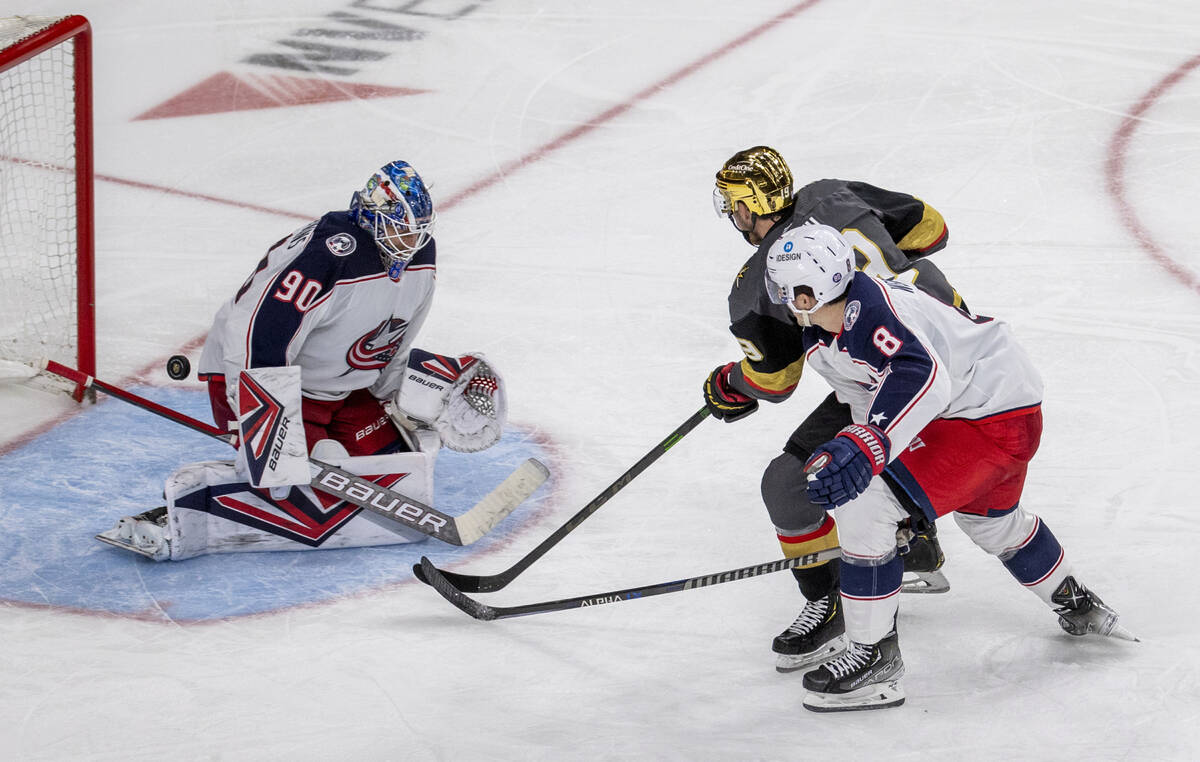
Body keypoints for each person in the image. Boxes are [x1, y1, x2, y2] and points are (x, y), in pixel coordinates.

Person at [760, 223, 1134, 712]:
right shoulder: (822, 335)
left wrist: (869, 449)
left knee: (865, 509)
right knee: (989, 522)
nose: (789, 300)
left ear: (823, 286)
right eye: (783, 290)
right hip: (994, 408)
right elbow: (868, 399)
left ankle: (874, 659)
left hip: (988, 415)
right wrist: (876, 457)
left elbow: (925, 378)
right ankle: (1076, 602)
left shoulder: (870, 313)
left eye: (797, 291)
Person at [97, 161, 508, 561]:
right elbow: (257, 331)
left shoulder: (422, 255)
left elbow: (397, 335)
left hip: (343, 388)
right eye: (399, 229)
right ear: (371, 215)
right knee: (304, 478)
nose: (408, 242)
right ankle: (186, 514)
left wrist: (400, 392)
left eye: (417, 232)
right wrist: (266, 418)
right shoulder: (328, 254)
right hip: (260, 377)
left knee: (395, 474)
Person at [705, 146, 960, 673]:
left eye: (734, 204)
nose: (733, 215)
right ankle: (914, 546)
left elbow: (775, 382)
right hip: (963, 350)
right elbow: (931, 230)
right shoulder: (831, 194)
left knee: (789, 483)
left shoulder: (760, 281)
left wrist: (730, 382)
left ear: (751, 205)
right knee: (870, 440)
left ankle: (832, 604)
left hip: (896, 379)